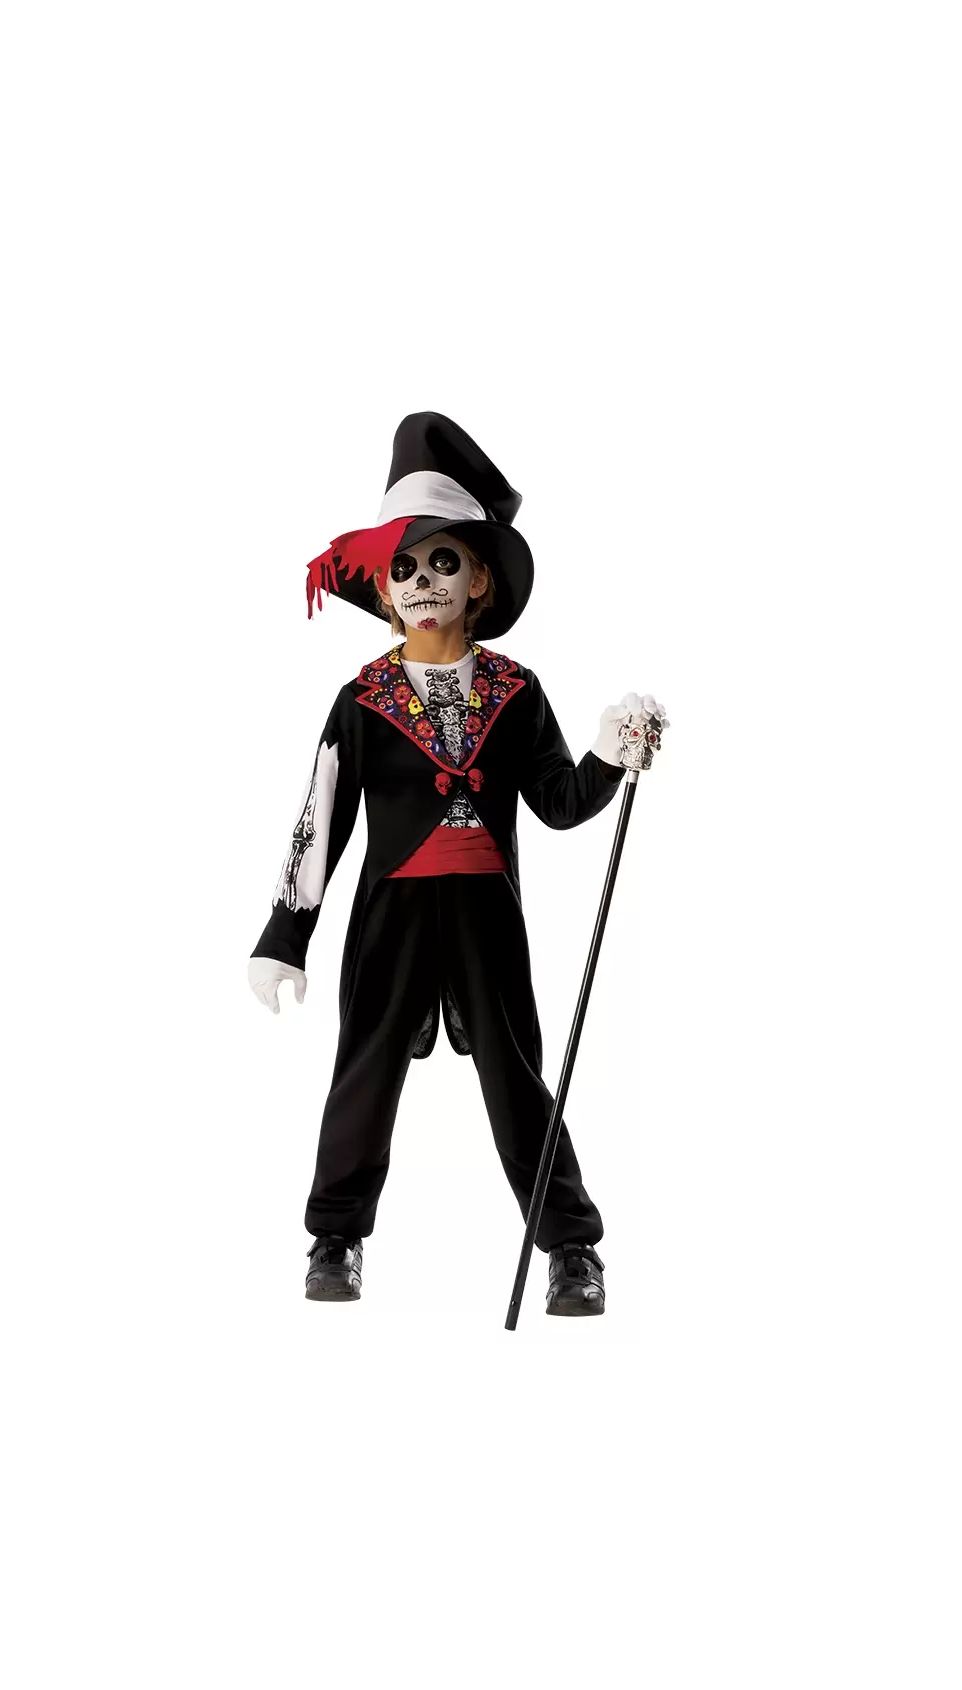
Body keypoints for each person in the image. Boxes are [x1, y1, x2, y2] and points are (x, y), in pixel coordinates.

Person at [247, 413, 667, 1315]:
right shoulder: (362, 700)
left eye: (443, 561)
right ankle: (335, 1237)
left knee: (516, 1080)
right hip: (391, 917)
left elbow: (559, 802)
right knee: (364, 1075)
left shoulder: (515, 692)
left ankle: (571, 1248)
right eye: (403, 568)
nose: (423, 582)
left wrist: (608, 755)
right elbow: (320, 820)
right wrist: (286, 937)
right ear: (383, 588)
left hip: (486, 917)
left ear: (479, 578)